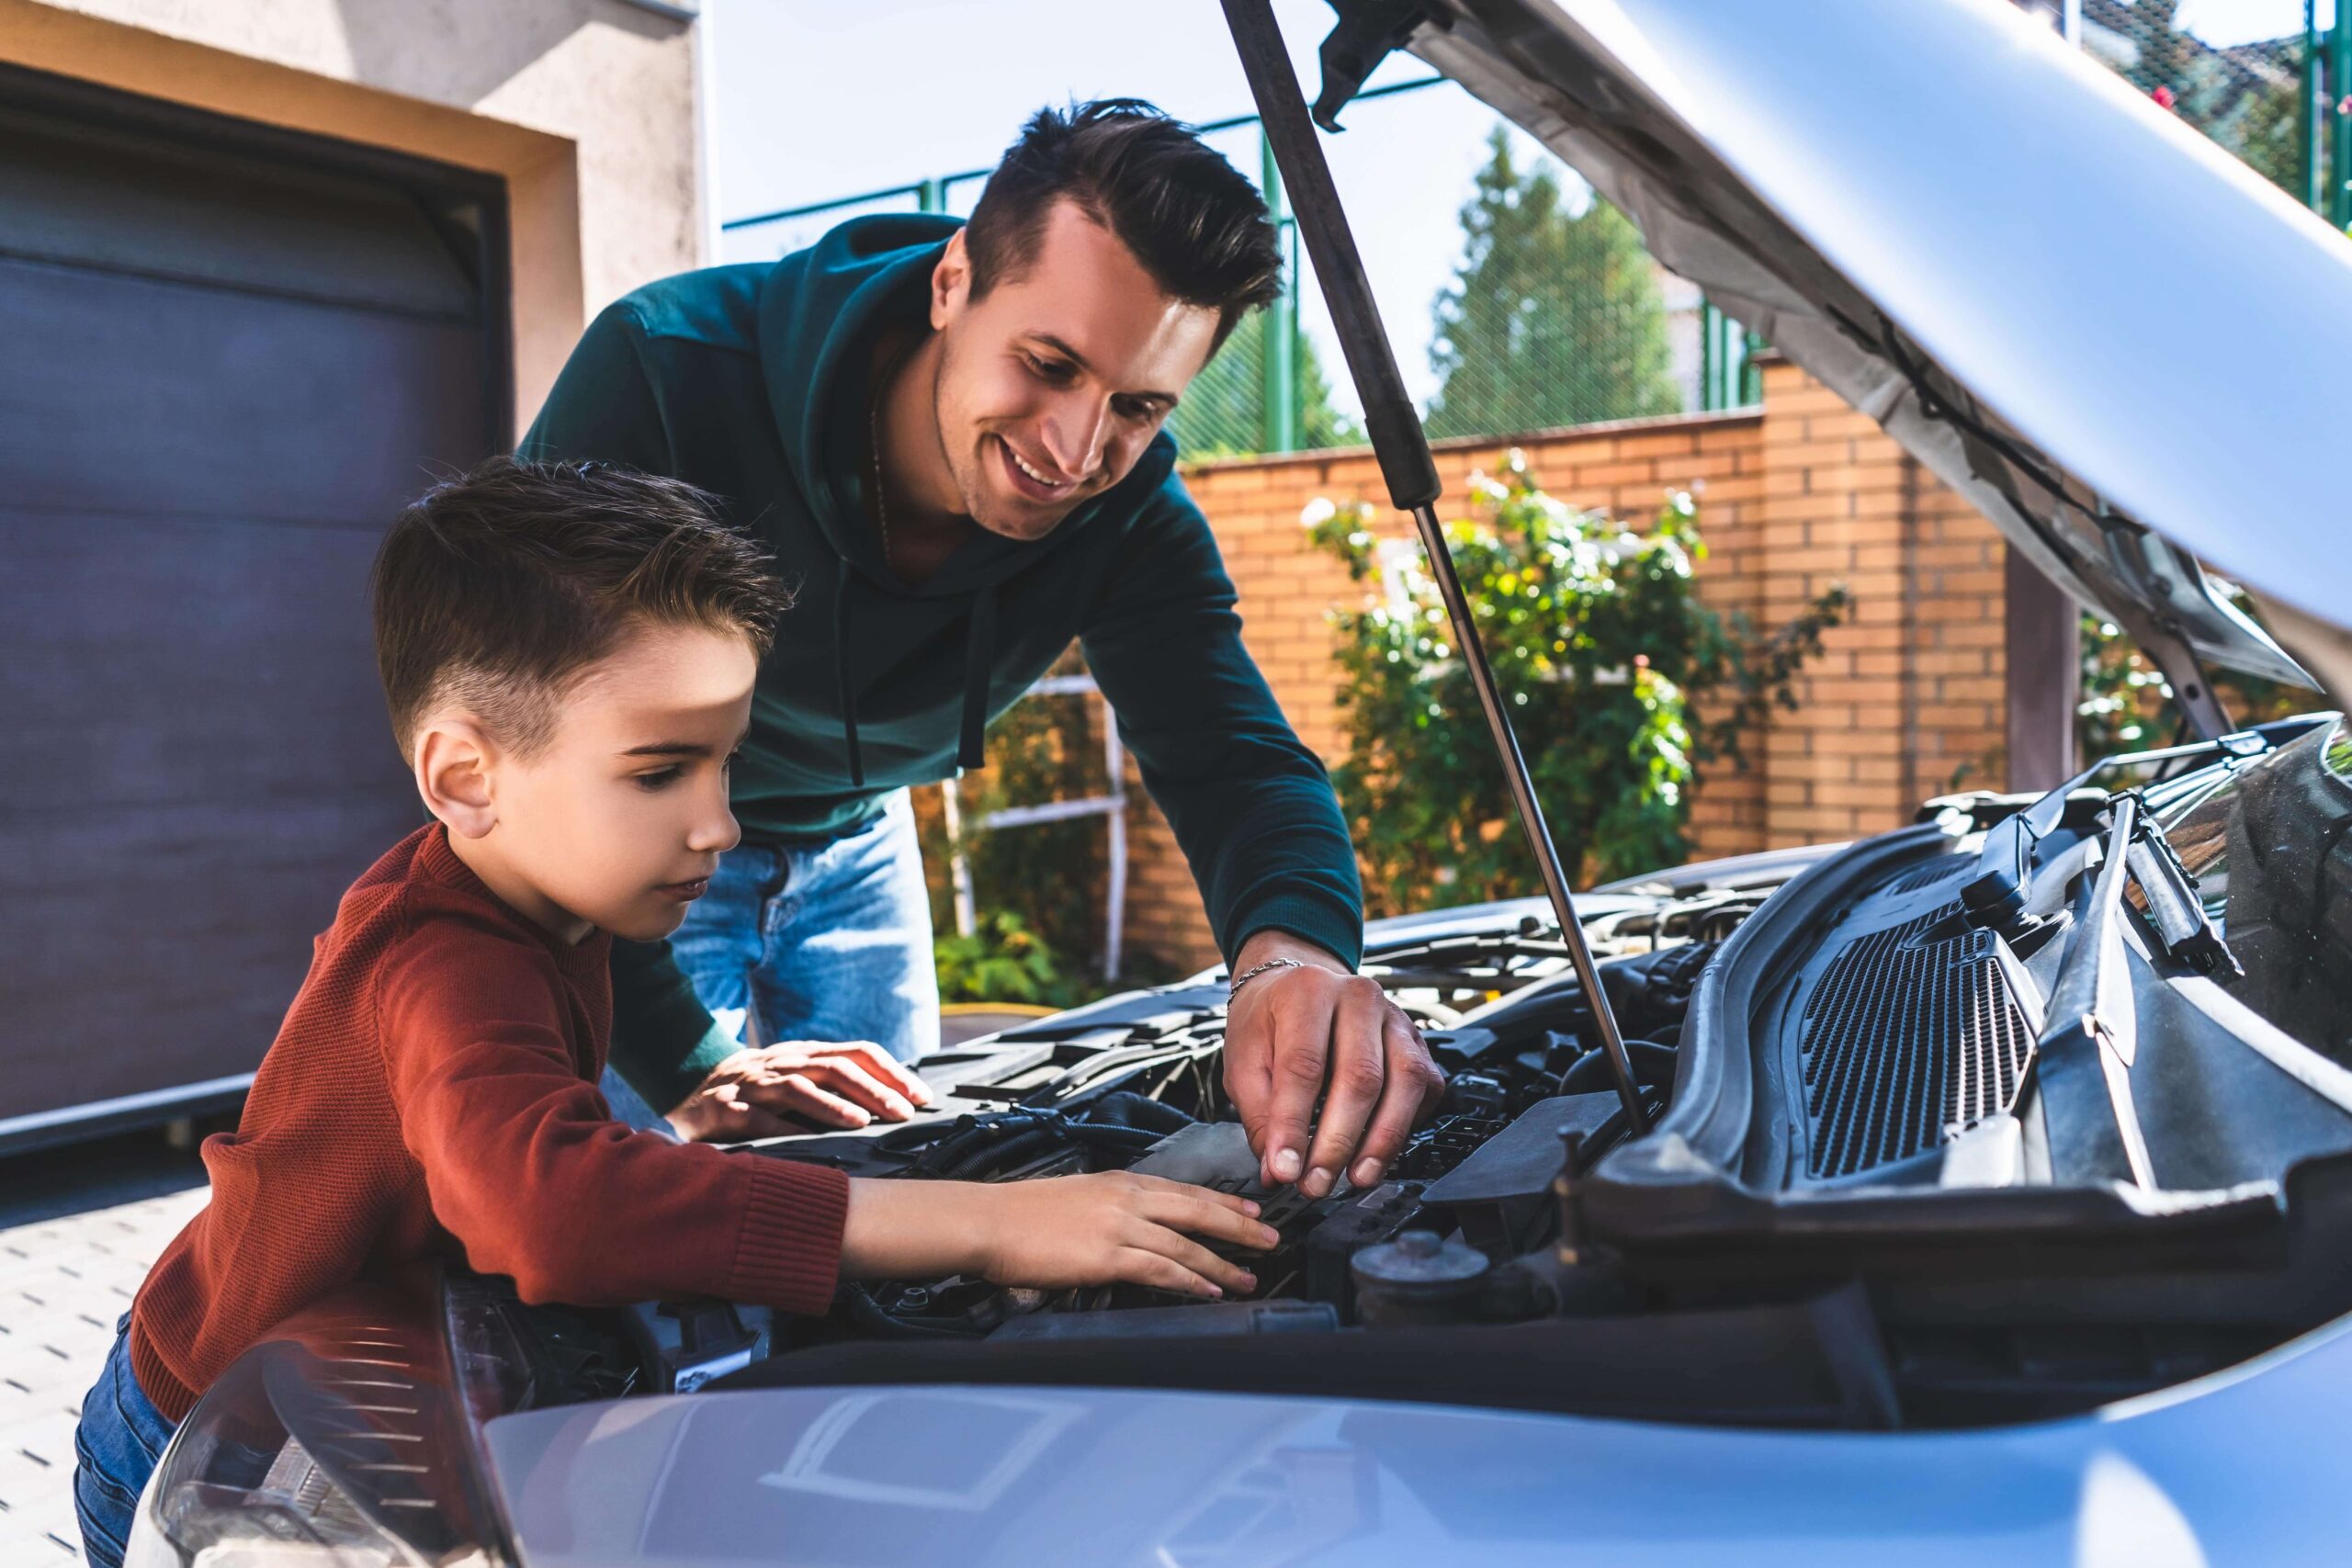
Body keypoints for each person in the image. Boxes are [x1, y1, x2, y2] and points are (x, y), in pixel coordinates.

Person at [71, 459, 1277, 1568]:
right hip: (204, 1441)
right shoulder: (444, 957)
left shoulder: (538, 893)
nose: (720, 823)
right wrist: (992, 1224)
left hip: (339, 1390)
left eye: (724, 761)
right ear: (465, 777)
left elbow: (489, 1148)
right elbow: (548, 1210)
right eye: (660, 771)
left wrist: (679, 1134)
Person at [525, 99, 1442, 1196]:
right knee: (648, 1250)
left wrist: (1293, 957)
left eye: (1138, 405)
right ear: (953, 280)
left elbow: (1233, 759)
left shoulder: (1130, 512)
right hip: (641, 867)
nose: (1075, 450)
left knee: (917, 1202)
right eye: (1049, 364)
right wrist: (686, 1062)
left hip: (862, 847)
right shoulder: (664, 377)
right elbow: (534, 751)